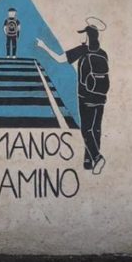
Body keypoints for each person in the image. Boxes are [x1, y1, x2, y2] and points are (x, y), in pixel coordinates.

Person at [36, 21, 110, 174]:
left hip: (85, 97)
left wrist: (43, 46)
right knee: (96, 129)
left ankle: (96, 157)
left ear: (88, 37)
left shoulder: (82, 50)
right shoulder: (103, 53)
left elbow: (59, 59)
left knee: (86, 129)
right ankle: (88, 161)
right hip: (101, 98)